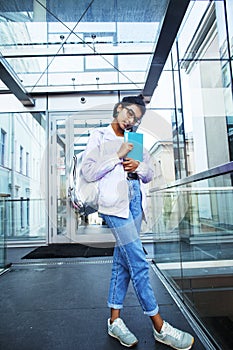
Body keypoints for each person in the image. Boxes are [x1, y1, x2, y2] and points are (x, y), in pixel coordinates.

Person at [81, 95, 194, 349]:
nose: (132, 121)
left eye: (137, 119)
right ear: (120, 108)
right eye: (130, 114)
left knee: (122, 263)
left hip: (134, 203)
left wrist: (138, 166)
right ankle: (160, 326)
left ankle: (114, 321)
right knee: (139, 262)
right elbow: (88, 172)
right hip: (113, 206)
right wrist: (117, 157)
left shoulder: (134, 139)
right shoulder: (99, 136)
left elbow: (150, 173)